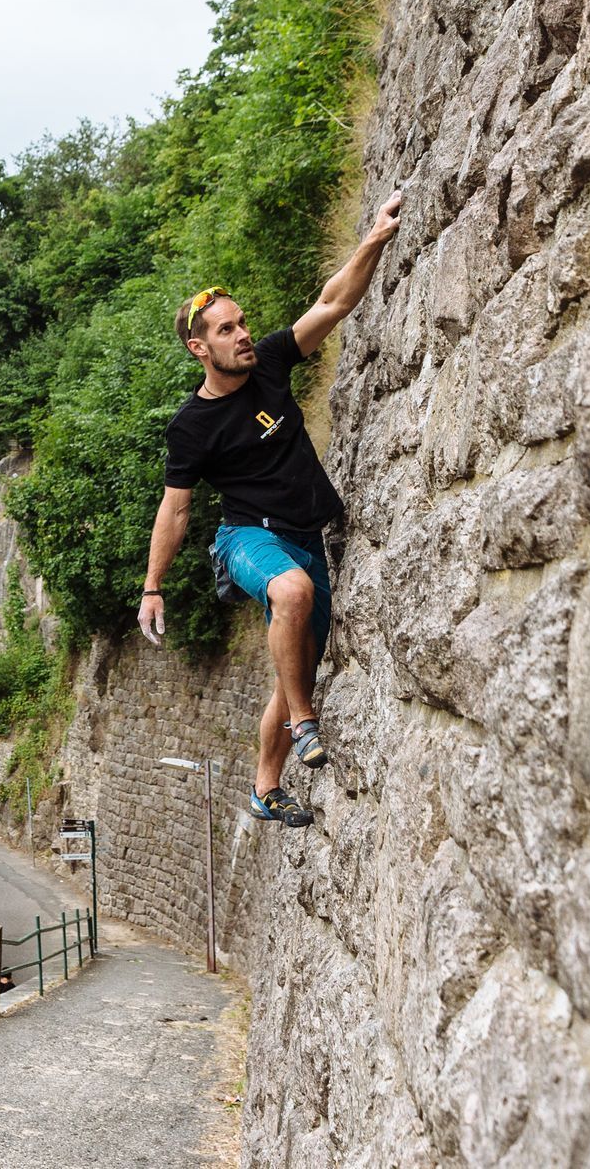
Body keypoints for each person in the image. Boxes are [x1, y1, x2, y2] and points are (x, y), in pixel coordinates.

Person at [140, 190, 404, 829]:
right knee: (291, 594)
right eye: (226, 330)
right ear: (201, 349)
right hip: (245, 540)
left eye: (241, 322)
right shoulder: (192, 427)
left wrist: (374, 236)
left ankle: (264, 787)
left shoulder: (272, 367)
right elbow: (175, 513)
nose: (242, 334)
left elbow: (334, 302)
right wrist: (152, 587)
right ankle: (305, 720)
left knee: (298, 658)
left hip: (305, 533)